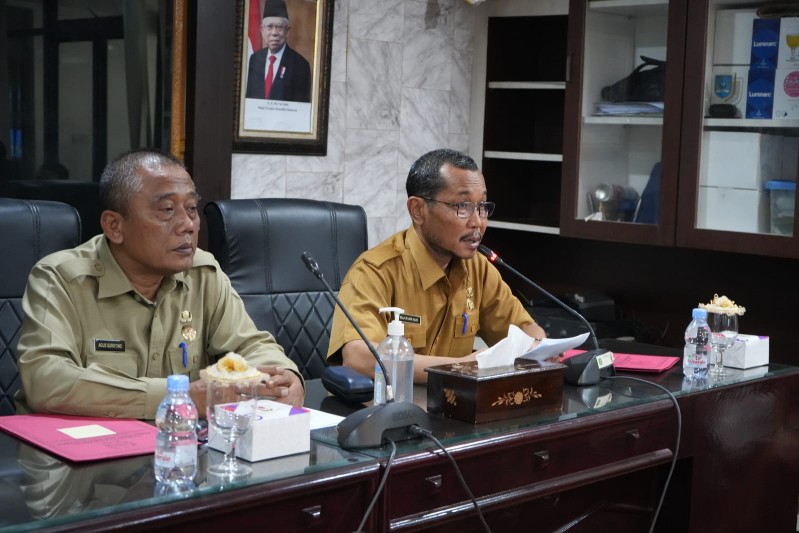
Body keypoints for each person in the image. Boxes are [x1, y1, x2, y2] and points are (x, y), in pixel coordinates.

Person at [15, 148, 304, 419]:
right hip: (79, 456)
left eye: (191, 208)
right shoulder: (60, 278)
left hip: (179, 451)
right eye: (167, 210)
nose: (187, 224)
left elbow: (251, 345)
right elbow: (45, 378)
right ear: (114, 226)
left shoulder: (203, 273)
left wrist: (285, 377)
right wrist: (178, 397)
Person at [327, 148, 547, 383]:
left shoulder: (478, 269)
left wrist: (539, 350)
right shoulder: (376, 271)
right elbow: (359, 358)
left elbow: (530, 334)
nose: (477, 222)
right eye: (462, 206)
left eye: (482, 206)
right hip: (389, 411)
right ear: (418, 210)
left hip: (454, 409)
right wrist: (461, 367)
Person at [245, 0, 311, 102]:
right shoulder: (254, 59)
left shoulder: (301, 65)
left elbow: (301, 109)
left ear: (287, 31)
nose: (274, 33)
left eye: (279, 27)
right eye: (270, 27)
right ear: (262, 30)